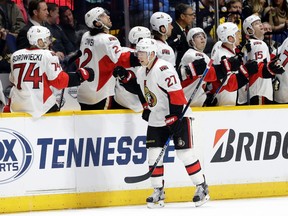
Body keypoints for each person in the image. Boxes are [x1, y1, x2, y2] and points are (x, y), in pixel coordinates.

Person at [114, 38, 210, 208]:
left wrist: (174, 116)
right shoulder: (143, 71)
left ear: (151, 54)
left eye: (142, 53)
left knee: (185, 154)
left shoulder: (164, 69)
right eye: (138, 52)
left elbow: (176, 94)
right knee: (153, 155)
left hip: (178, 115)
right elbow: (141, 90)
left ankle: (201, 187)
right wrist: (126, 78)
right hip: (157, 118)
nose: (138, 56)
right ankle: (158, 191)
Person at [9, 26, 94, 118]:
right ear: (40, 41)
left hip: (17, 106)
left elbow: (12, 80)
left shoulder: (15, 55)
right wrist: (81, 75)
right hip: (41, 107)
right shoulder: (48, 55)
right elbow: (59, 81)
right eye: (47, 39)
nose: (50, 42)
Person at [77, 7, 140, 110]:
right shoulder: (108, 39)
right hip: (99, 94)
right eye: (102, 16)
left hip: (83, 91)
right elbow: (122, 59)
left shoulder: (85, 36)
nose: (108, 16)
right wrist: (143, 56)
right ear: (97, 23)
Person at [238, 15, 285, 105]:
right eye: (256, 24)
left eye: (260, 22)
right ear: (249, 30)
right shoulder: (259, 43)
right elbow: (258, 68)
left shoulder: (249, 44)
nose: (260, 25)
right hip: (259, 91)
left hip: (250, 91)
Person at [210, 22, 258, 106]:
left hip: (226, 92)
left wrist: (239, 50)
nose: (239, 36)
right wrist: (246, 71)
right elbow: (229, 83)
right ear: (230, 38)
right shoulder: (223, 56)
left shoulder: (219, 45)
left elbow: (232, 52)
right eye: (237, 34)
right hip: (225, 95)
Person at [113, 26, 151, 112]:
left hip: (119, 101)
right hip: (138, 105)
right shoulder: (145, 58)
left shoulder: (122, 52)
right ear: (140, 40)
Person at [167, 3, 195, 69]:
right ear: (182, 16)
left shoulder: (187, 29)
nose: (193, 17)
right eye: (191, 15)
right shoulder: (172, 30)